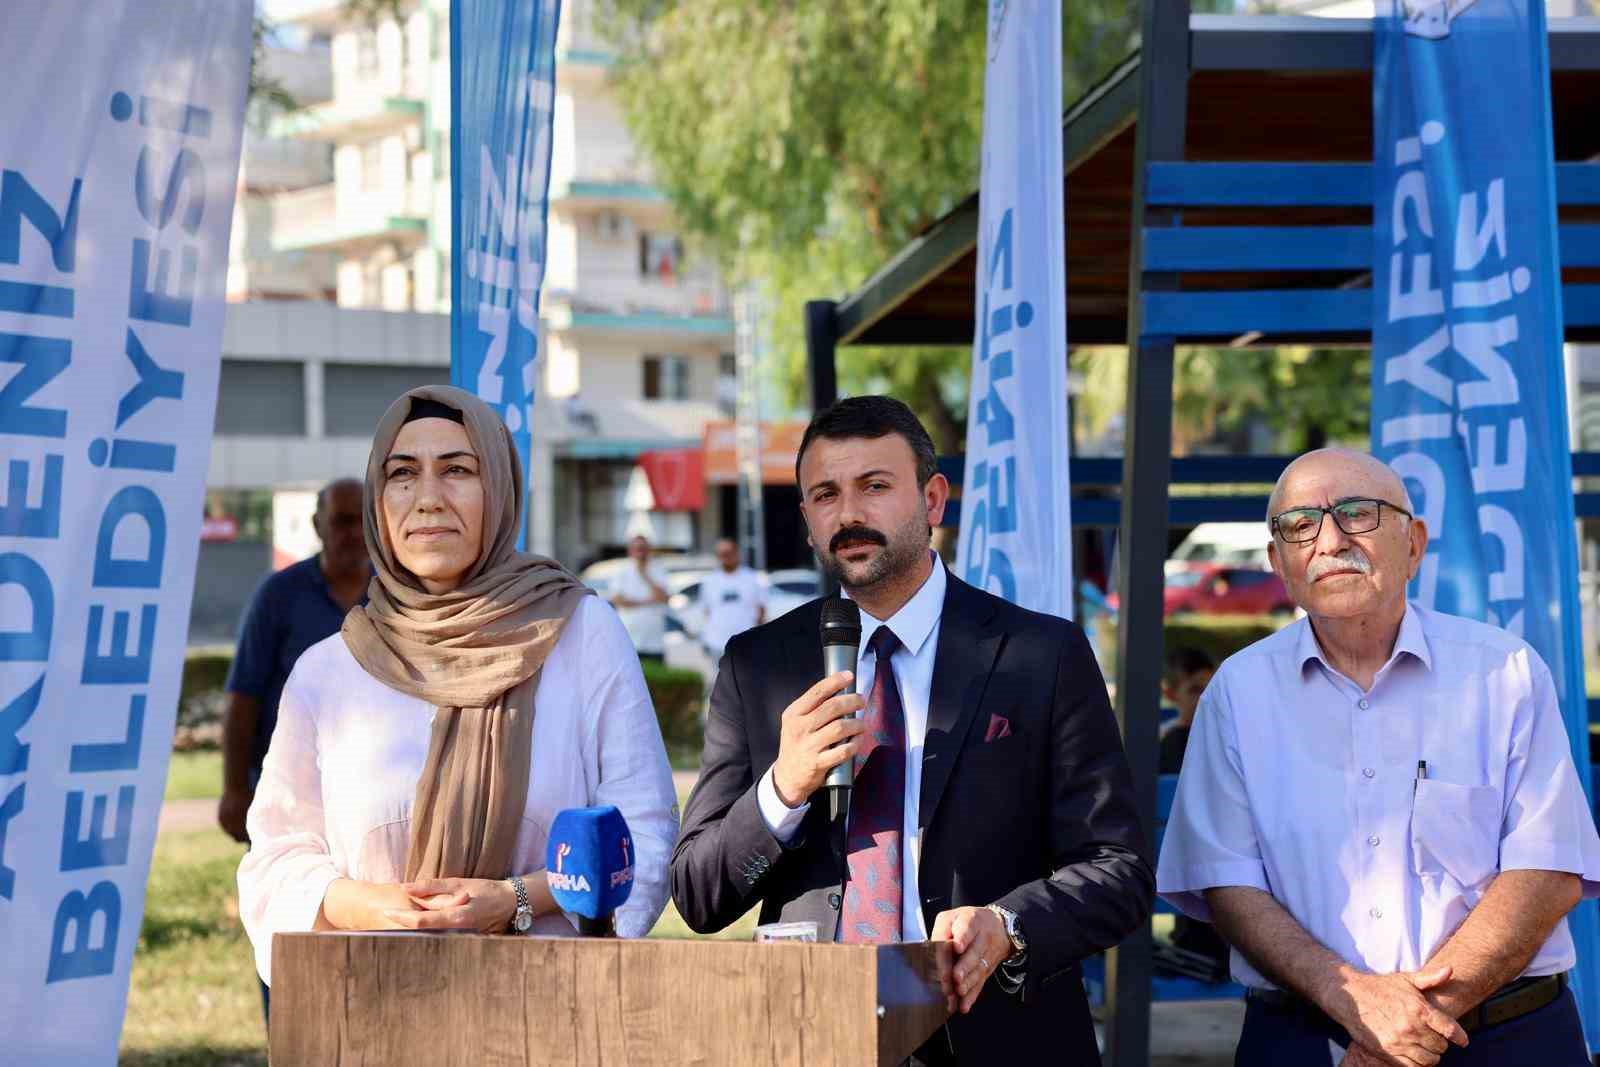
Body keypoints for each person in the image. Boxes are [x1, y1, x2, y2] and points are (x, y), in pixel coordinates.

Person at [670, 396, 1152, 1065]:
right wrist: (783, 787)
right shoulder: (758, 666)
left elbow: (1119, 870)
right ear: (807, 522)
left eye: (874, 486)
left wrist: (1009, 926)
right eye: (825, 494)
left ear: (933, 500)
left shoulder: (1040, 654)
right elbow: (697, 894)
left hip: (996, 1034)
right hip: (813, 1032)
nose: (849, 515)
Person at [1158, 448, 1600, 1067]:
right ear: (1279, 562)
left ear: (1413, 544)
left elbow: (1546, 869)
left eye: (1357, 514)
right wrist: (1359, 1006)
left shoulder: (1505, 671)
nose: (1331, 540)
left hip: (1504, 1038)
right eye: (1300, 525)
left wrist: (1407, 1026)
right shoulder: (1237, 692)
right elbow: (1228, 882)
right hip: (1304, 1039)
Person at [237, 386, 677, 989]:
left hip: (550, 1007)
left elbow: (642, 838)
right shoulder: (328, 672)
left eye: (458, 471)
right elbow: (275, 863)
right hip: (371, 1008)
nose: (427, 499)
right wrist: (372, 907)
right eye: (402, 474)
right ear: (377, 498)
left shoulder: (577, 633)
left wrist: (515, 900)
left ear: (498, 488)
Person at [220, 478, 370, 844]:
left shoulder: (398, 595)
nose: (352, 533)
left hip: (369, 792)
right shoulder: (278, 595)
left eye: (361, 520)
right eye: (341, 521)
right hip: (288, 790)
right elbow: (243, 697)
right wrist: (235, 790)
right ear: (318, 526)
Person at [698, 537, 766, 661]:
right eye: (722, 554)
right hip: (717, 643)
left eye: (728, 553)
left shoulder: (753, 578)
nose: (725, 557)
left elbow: (761, 610)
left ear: (736, 553)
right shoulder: (709, 581)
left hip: (746, 642)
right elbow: (706, 612)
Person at [610, 534, 670, 662]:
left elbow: (664, 598)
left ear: (649, 549)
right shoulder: (622, 570)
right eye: (637, 548)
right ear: (630, 550)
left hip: (655, 641)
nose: (640, 551)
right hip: (630, 640)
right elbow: (617, 600)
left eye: (643, 548)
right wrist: (649, 600)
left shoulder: (658, 569)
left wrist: (645, 575)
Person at [1157, 647, 1215, 775]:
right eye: (1195, 690)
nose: (1205, 696)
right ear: (1170, 694)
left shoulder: (1223, 736)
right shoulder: (1161, 742)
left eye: (1211, 688)